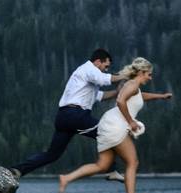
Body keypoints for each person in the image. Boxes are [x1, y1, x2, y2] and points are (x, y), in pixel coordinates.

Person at [58, 57, 172, 193]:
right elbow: (120, 101)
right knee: (133, 162)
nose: (150, 77)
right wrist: (131, 121)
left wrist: (161, 97)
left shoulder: (134, 87)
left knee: (102, 166)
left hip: (109, 125)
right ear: (141, 72)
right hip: (115, 126)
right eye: (149, 74)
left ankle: (67, 178)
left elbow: (140, 96)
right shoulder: (132, 85)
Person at [9, 49, 127, 179]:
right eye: (106, 66)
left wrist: (117, 92)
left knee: (52, 155)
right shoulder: (89, 69)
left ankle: (17, 170)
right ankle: (111, 171)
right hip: (76, 115)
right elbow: (103, 79)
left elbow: (100, 95)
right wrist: (125, 75)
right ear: (98, 61)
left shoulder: (85, 76)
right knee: (109, 133)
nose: (106, 69)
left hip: (64, 118)